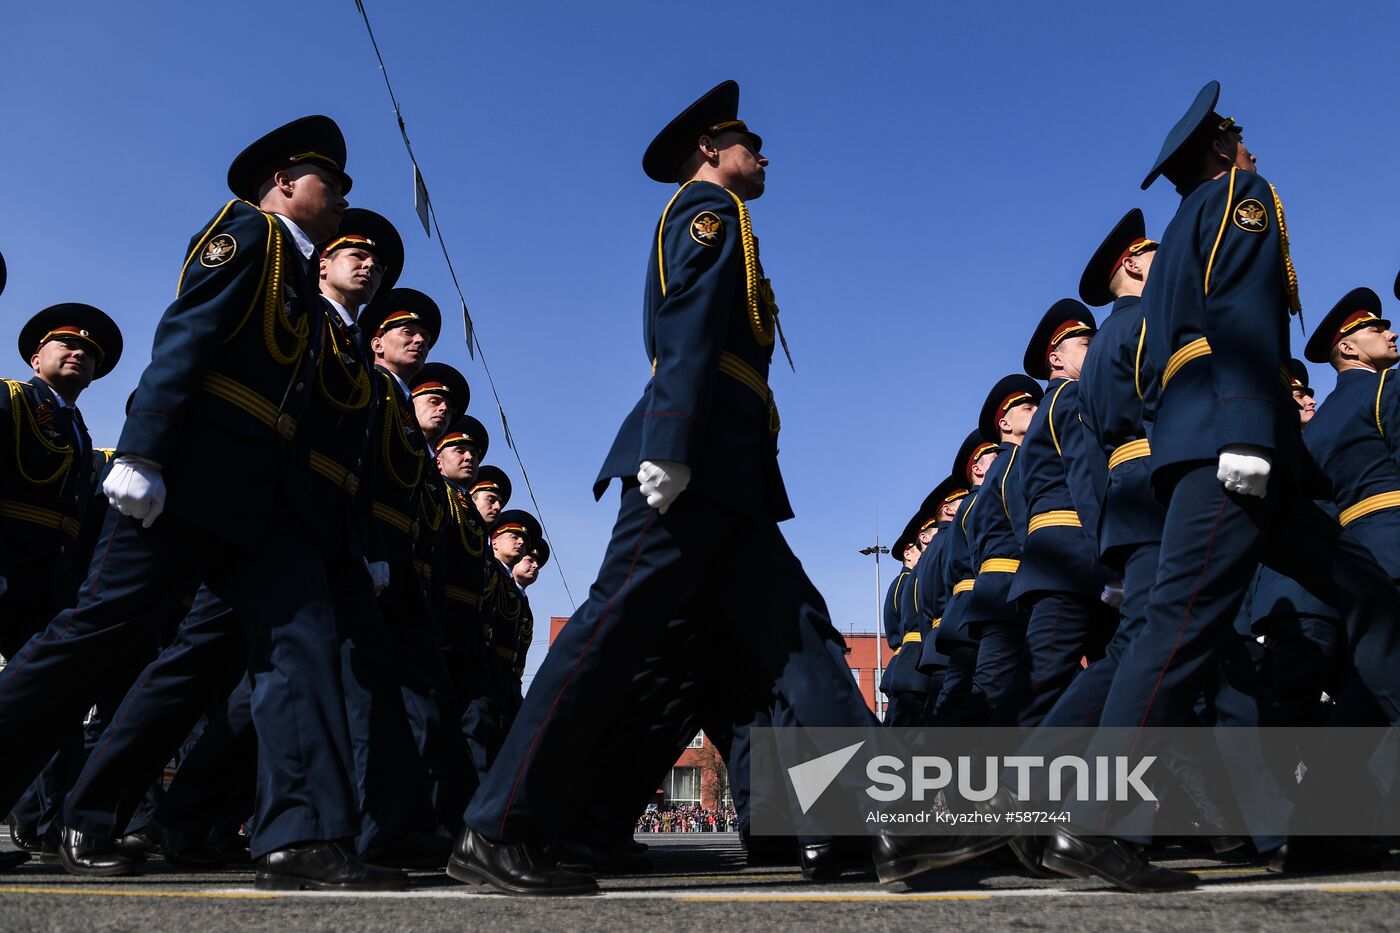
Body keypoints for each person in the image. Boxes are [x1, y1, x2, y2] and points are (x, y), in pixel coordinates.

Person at [450, 80, 1002, 896]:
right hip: (694, 460)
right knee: (608, 632)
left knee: (805, 640)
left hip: (729, 468)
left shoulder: (727, 218)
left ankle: (895, 824)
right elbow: (688, 327)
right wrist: (671, 443)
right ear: (711, 150)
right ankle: (495, 825)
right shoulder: (703, 213)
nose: (763, 154)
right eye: (750, 141)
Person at [0, 115, 407, 891]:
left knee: (300, 644)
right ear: (286, 180)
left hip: (267, 503)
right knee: (96, 635)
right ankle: (80, 811)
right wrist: (145, 449)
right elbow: (184, 334)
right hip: (189, 479)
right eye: (334, 181)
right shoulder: (248, 234)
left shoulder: (297, 273)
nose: (345, 196)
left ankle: (302, 835)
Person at [1047, 80, 1400, 892]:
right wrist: (1244, 430)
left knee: (1368, 594)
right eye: (1239, 138)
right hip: (1232, 445)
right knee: (1179, 628)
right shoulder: (1239, 198)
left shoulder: (1178, 236)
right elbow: (1239, 317)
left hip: (1235, 447)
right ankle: (1094, 821)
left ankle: (1335, 818)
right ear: (1219, 148)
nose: (1252, 150)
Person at [0, 302, 122, 870]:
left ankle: (41, 823)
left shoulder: (79, 430)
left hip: (53, 576)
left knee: (55, 703)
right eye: (67, 346)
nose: (80, 354)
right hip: (8, 559)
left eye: (89, 353)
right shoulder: (11, 399)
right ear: (35, 357)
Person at [1011, 299, 1116, 726]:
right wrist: (1111, 560)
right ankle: (985, 783)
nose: (1094, 350)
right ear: (1056, 358)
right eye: (1085, 343)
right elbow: (1087, 481)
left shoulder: (1044, 415)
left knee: (1110, 678)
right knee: (1041, 685)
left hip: (1052, 562)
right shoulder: (1072, 397)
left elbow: (1021, 508)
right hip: (1074, 566)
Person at [961, 374, 1042, 725]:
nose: (1037, 410)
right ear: (1005, 424)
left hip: (997, 590)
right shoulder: (1012, 462)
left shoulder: (1002, 468)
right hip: (1007, 591)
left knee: (1007, 687)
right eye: (1028, 407)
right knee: (990, 690)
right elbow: (1024, 522)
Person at [878, 515, 928, 726]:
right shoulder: (906, 582)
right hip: (909, 661)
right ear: (908, 553)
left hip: (904, 663)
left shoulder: (903, 582)